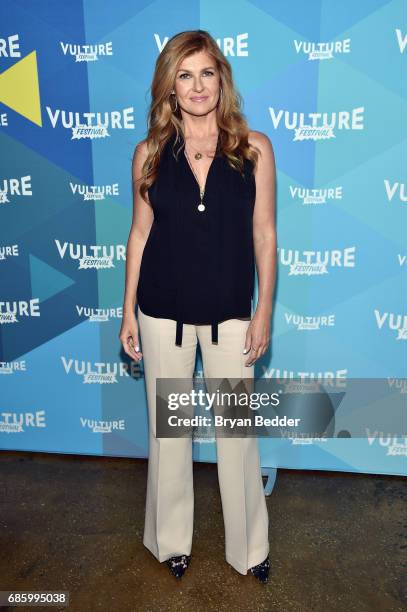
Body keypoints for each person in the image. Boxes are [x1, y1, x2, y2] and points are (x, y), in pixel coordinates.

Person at [119, 30, 276, 583]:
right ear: (170, 88)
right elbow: (139, 237)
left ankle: (249, 550)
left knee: (237, 437)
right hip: (161, 316)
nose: (197, 85)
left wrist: (263, 312)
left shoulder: (253, 148)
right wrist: (126, 312)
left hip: (233, 316)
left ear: (221, 79)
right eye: (184, 75)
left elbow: (265, 236)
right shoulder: (149, 155)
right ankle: (168, 542)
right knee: (170, 436)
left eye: (206, 72)